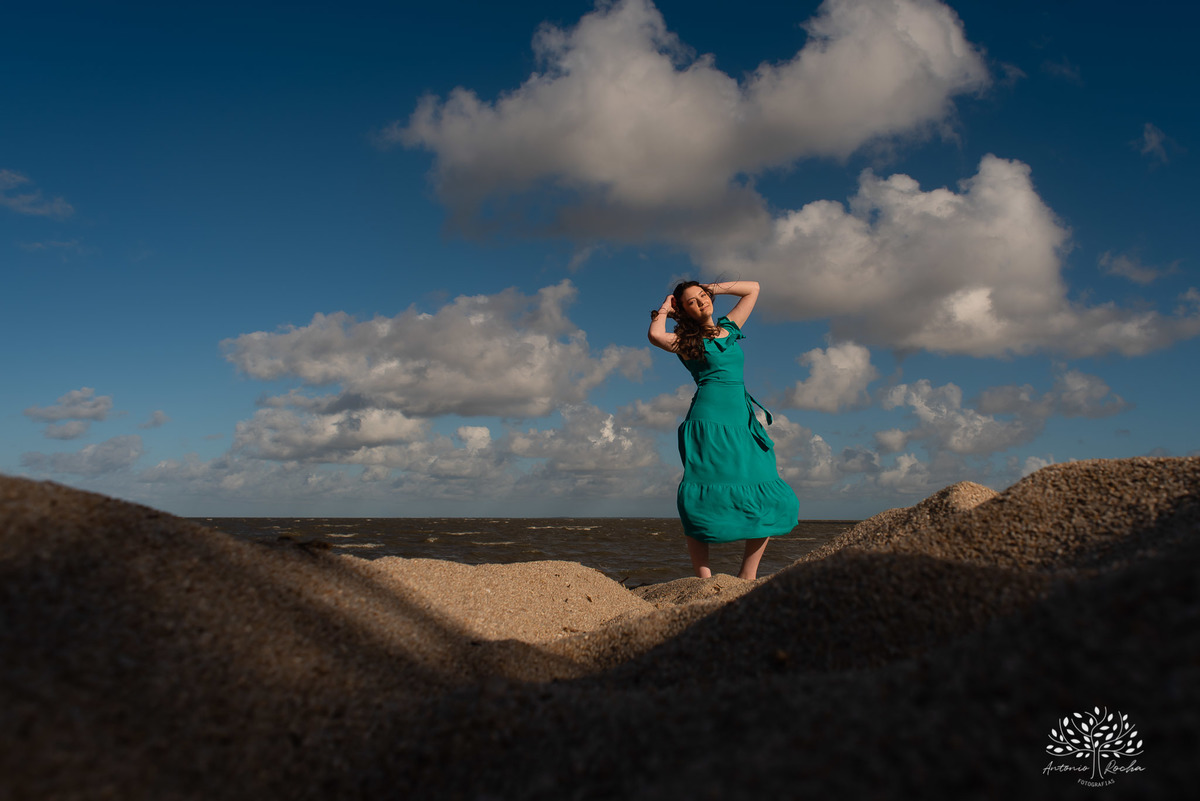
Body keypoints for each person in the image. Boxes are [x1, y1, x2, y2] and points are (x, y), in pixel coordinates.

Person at [648, 280, 800, 580]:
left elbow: (753, 288)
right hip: (708, 421)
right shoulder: (685, 342)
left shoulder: (729, 329)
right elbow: (654, 334)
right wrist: (667, 306)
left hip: (742, 421)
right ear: (684, 310)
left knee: (768, 490)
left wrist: (710, 287)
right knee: (702, 494)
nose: (701, 302)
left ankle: (747, 575)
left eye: (702, 297)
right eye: (692, 301)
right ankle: (703, 579)